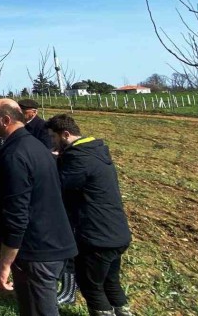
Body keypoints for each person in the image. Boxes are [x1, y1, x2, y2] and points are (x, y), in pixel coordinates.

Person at [0, 98, 77, 316]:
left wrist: (5, 263)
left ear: (6, 120)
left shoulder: (14, 155)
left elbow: (17, 215)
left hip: (37, 252)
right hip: (49, 243)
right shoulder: (34, 145)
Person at [46, 114, 134, 316]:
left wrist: (51, 161)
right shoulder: (94, 152)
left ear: (65, 134)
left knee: (90, 285)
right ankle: (123, 311)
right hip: (116, 232)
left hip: (97, 237)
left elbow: (57, 186)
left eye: (53, 137)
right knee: (111, 282)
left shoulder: (78, 158)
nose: (52, 142)